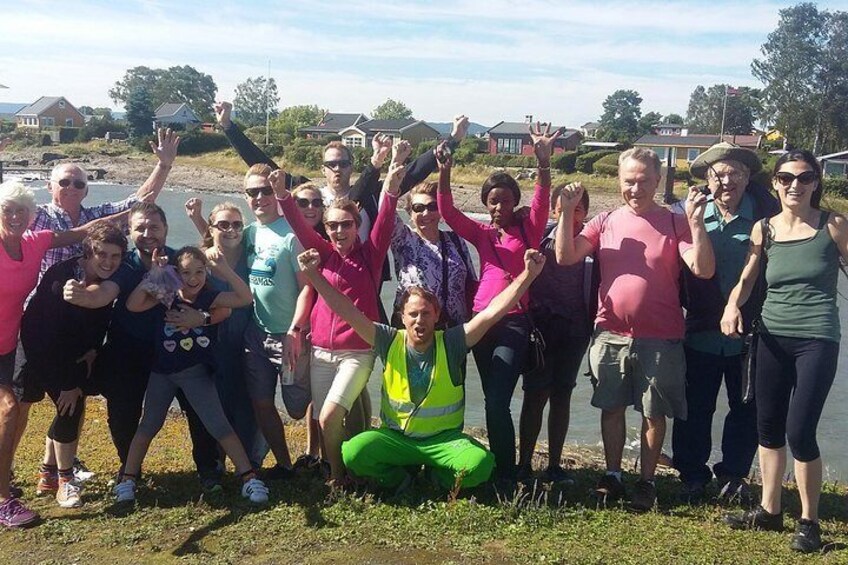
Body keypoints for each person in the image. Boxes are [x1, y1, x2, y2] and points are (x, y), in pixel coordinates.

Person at [10, 127, 180, 487]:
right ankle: (5, 469)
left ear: (86, 189)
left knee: (69, 398)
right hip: (38, 322)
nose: (71, 188)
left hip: (83, 324)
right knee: (18, 404)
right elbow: (7, 222)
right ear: (50, 185)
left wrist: (163, 166)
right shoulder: (36, 217)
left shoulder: (99, 218)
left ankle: (50, 471)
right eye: (64, 182)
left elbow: (138, 204)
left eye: (78, 184)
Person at [299, 247, 546, 492]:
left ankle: (437, 478)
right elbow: (346, 310)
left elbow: (493, 312)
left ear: (437, 315)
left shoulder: (452, 342)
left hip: (443, 441)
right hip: (397, 439)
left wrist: (529, 275)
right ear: (402, 317)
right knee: (353, 454)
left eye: (426, 313)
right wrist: (314, 275)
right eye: (413, 314)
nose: (420, 320)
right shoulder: (388, 340)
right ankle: (400, 479)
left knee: (480, 465)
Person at [555, 148, 715, 511]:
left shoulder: (676, 223)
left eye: (644, 180)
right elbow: (565, 257)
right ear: (619, 181)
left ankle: (646, 481)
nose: (636, 188)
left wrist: (697, 223)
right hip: (609, 333)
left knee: (652, 412)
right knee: (610, 407)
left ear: (658, 181)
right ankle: (612, 476)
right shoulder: (605, 220)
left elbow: (703, 269)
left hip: (661, 337)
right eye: (629, 180)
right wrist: (566, 212)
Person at [722, 151, 847, 553]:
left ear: (816, 183)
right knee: (768, 427)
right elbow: (748, 276)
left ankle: (810, 521)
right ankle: (770, 510)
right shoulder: (765, 229)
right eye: (787, 178)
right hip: (772, 336)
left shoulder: (834, 225)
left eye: (805, 178)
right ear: (775, 183)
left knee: (800, 432)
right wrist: (731, 306)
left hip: (817, 338)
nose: (795, 185)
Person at [63, 202, 225, 490]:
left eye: (154, 227)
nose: (147, 233)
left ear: (166, 229)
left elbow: (219, 303)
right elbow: (103, 293)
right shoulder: (126, 265)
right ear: (130, 231)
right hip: (129, 348)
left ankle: (208, 467)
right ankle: (129, 470)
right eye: (140, 227)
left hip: (179, 347)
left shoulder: (184, 262)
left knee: (198, 407)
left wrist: (202, 317)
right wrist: (81, 296)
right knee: (123, 411)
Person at [436, 122, 559, 483]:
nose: (499, 206)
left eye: (506, 200)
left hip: (515, 323)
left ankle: (506, 472)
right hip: (480, 322)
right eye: (493, 200)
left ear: (514, 202)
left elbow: (542, 195)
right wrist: (445, 172)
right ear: (486, 204)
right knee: (492, 397)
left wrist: (543, 161)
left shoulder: (530, 228)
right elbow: (447, 212)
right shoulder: (482, 234)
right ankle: (498, 464)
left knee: (497, 400)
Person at [271, 155, 404, 485]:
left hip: (357, 353)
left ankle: (339, 475)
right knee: (323, 418)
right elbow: (300, 226)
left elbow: (386, 220)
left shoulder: (370, 255)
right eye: (333, 225)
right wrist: (282, 196)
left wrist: (392, 186)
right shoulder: (325, 253)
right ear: (326, 229)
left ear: (356, 225)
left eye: (347, 224)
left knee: (331, 414)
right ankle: (338, 469)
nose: (340, 231)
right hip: (320, 352)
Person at [0, 180, 120, 527]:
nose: (15, 216)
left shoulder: (35, 243)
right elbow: (47, 325)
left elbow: (84, 231)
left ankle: (29, 480)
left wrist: (140, 207)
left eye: (22, 210)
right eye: (8, 209)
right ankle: (5, 497)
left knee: (22, 411)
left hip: (8, 344)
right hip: (29, 342)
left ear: (31, 216)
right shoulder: (58, 278)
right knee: (10, 410)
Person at [114, 246, 269, 504]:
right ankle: (127, 480)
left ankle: (250, 479)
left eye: (199, 271)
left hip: (195, 374)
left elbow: (245, 298)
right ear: (176, 272)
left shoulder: (209, 298)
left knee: (218, 425)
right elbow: (133, 305)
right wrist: (154, 275)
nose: (193, 278)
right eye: (186, 272)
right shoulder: (166, 294)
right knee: (148, 425)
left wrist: (226, 270)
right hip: (162, 373)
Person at [671, 142, 780, 505]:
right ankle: (692, 475)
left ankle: (733, 474)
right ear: (706, 178)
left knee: (745, 406)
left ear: (748, 177)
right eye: (718, 174)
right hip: (700, 328)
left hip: (752, 331)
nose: (726, 180)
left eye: (735, 172)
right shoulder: (686, 214)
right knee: (695, 406)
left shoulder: (770, 216)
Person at [19, 223, 127, 509]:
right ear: (88, 252)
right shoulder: (62, 277)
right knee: (71, 406)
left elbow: (100, 319)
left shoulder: (112, 279)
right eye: (101, 254)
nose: (108, 262)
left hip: (78, 351)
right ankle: (66, 481)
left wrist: (93, 349)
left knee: (71, 404)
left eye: (115, 256)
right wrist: (68, 381)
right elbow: (45, 331)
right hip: (39, 350)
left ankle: (47, 472)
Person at [237, 164, 313, 479]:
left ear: (277, 193)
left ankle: (317, 454)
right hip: (256, 335)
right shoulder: (248, 234)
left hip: (290, 336)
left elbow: (308, 286)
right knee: (261, 403)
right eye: (252, 192)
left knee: (297, 407)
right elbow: (215, 248)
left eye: (265, 191)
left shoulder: (292, 235)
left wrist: (296, 330)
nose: (259, 197)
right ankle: (283, 463)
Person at [517, 185, 595, 484]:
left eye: (578, 208)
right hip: (541, 329)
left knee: (563, 394)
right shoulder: (538, 239)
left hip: (576, 330)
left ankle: (554, 465)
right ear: (553, 210)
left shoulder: (593, 243)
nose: (571, 213)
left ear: (586, 213)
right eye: (564, 206)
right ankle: (524, 463)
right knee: (534, 395)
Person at [185, 198, 267, 472]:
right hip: (211, 340)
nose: (231, 230)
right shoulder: (202, 261)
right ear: (212, 228)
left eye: (236, 224)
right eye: (223, 225)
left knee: (246, 401)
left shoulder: (251, 253)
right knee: (215, 401)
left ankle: (251, 461)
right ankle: (215, 459)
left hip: (247, 338)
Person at [390, 178, 475, 329]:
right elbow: (385, 204)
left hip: (454, 331)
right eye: (418, 207)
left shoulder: (455, 240)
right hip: (415, 331)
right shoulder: (403, 239)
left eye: (432, 206)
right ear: (410, 212)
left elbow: (472, 281)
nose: (426, 212)